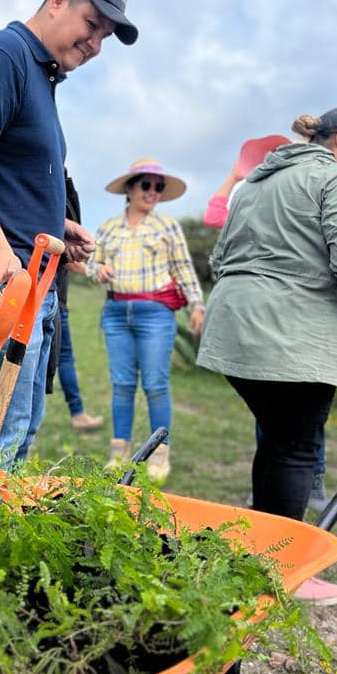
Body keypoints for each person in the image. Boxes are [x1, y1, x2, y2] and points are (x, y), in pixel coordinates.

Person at [197, 105, 337, 606]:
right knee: (295, 446)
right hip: (293, 332)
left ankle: (259, 554)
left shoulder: (254, 183)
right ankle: (283, 570)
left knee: (276, 439)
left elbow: (219, 257)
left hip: (235, 325)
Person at [0, 0, 137, 470]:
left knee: (19, 432)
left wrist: (53, 225)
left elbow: (8, 174)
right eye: (92, 25)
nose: (95, 45)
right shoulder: (2, 54)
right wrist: (1, 250)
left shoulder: (40, 74)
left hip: (33, 278)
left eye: (105, 37)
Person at [203, 136, 330, 511]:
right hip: (275, 316)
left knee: (289, 429)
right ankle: (279, 517)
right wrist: (235, 175)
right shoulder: (254, 189)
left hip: (286, 315)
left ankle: (302, 484)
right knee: (287, 433)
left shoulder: (320, 184)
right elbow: (214, 217)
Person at [86, 158, 204, 483]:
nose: (153, 192)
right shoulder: (108, 228)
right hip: (115, 314)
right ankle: (119, 453)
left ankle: (158, 454)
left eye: (159, 187)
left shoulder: (167, 227)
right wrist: (99, 271)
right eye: (147, 185)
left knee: (155, 385)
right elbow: (92, 266)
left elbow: (183, 268)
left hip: (155, 315)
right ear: (130, 188)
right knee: (122, 385)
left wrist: (197, 304)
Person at [56, 261, 104, 431]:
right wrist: (93, 271)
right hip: (53, 301)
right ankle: (78, 414)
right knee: (64, 358)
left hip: (38, 297)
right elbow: (66, 255)